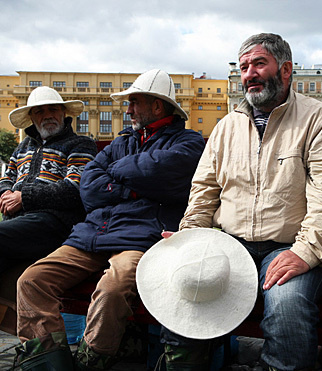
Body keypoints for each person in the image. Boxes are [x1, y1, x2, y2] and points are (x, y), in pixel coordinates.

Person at [160, 33, 322, 370]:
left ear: (285, 70)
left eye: (258, 63)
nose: (249, 74)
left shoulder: (318, 119)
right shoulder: (228, 126)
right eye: (243, 67)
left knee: (287, 303)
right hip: (231, 245)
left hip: (291, 248)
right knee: (187, 286)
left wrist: (305, 252)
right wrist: (191, 238)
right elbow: (204, 189)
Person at [15, 69, 205, 370]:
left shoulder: (190, 142)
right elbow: (89, 186)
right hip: (90, 235)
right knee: (31, 281)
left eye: (134, 102)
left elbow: (158, 172)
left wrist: (115, 177)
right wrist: (135, 185)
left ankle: (92, 361)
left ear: (157, 106)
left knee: (112, 291)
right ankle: (52, 365)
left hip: (139, 238)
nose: (127, 109)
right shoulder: (121, 142)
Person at [0, 86, 97, 334]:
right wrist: (6, 195)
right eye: (40, 111)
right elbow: (6, 179)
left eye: (53, 109)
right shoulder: (22, 148)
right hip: (22, 224)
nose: (47, 115)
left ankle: (39, 344)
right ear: (32, 117)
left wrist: (25, 197)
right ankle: (39, 345)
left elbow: (75, 189)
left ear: (64, 113)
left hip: (55, 222)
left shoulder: (80, 144)